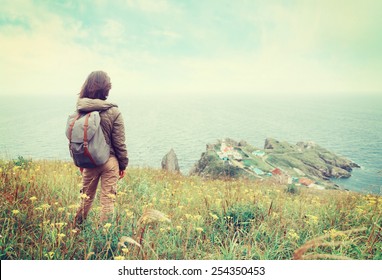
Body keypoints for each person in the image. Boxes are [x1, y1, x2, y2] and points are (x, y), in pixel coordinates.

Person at [74, 71, 128, 226]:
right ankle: (105, 237)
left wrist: (81, 161)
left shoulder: (80, 110)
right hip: (109, 162)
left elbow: (76, 137)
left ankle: (76, 230)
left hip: (89, 161)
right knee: (107, 201)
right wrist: (122, 165)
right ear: (106, 89)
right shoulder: (114, 112)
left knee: (85, 198)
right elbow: (119, 143)